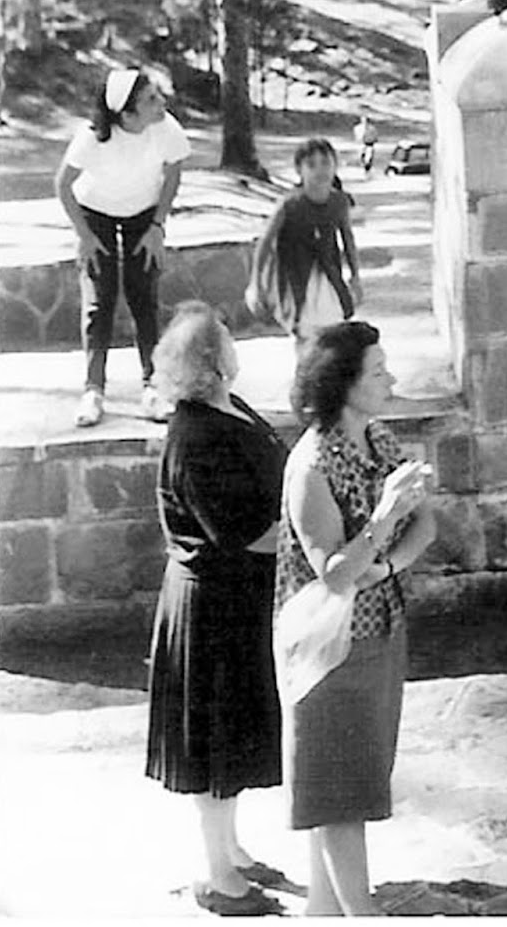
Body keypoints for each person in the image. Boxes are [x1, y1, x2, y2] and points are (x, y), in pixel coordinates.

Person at [276, 320, 435, 915]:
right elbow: (337, 574)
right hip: (329, 646)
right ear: (343, 384)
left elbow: (426, 525)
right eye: (378, 371)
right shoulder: (312, 464)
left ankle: (324, 908)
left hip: (379, 629)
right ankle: (359, 914)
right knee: (337, 792)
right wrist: (383, 518)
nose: (391, 380)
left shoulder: (379, 440)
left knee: (353, 779)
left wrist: (385, 567)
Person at [144, 303, 290, 917]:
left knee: (233, 738)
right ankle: (217, 874)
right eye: (225, 336)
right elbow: (240, 532)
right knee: (212, 745)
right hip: (210, 608)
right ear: (209, 357)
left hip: (239, 601)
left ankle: (232, 849)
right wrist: (315, 539)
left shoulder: (229, 407)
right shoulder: (196, 435)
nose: (234, 341)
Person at [54, 66, 190, 428]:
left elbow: (173, 172)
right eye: (150, 99)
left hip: (143, 214)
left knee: (143, 296)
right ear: (127, 114)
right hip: (95, 213)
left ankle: (154, 387)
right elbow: (63, 185)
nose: (161, 102)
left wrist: (157, 226)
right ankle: (93, 391)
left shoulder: (166, 128)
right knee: (100, 303)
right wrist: (85, 236)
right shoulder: (91, 138)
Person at [245, 139, 363, 351]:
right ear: (299, 171)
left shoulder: (339, 202)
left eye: (325, 163)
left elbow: (348, 239)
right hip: (297, 278)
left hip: (328, 276)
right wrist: (256, 284)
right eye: (311, 165)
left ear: (335, 166)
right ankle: (306, 367)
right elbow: (265, 243)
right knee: (306, 332)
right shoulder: (290, 205)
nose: (320, 170)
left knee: (333, 331)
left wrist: (355, 277)